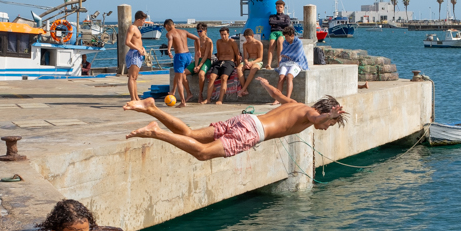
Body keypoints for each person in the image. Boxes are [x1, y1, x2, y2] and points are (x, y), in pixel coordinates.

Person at [124, 77, 346, 160]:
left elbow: (277, 95)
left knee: (191, 135)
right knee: (202, 153)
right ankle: (156, 132)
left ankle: (152, 110)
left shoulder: (296, 105)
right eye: (332, 124)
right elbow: (317, 120)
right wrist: (329, 115)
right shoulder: (311, 114)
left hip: (245, 121)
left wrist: (266, 84)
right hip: (251, 132)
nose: (328, 127)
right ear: (325, 111)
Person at [164, 19, 197, 106]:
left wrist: (168, 50)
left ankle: (183, 102)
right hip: (188, 55)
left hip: (180, 56)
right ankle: (186, 93)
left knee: (179, 80)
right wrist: (198, 51)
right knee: (180, 74)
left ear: (167, 26)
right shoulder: (184, 31)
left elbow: (170, 39)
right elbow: (197, 38)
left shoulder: (169, 33)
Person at [205, 27, 241, 105]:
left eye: (225, 34)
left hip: (229, 62)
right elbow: (218, 54)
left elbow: (237, 54)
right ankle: (208, 99)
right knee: (211, 77)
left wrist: (238, 65)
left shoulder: (232, 42)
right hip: (220, 61)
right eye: (222, 35)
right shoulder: (218, 42)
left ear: (228, 34)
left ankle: (220, 100)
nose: (223, 36)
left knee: (224, 78)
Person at [275, 25, 310, 103]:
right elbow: (282, 53)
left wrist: (287, 55)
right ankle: (278, 99)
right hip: (286, 62)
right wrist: (285, 55)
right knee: (281, 77)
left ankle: (287, 99)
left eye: (287, 36)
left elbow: (297, 55)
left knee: (289, 76)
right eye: (285, 36)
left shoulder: (298, 42)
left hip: (297, 63)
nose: (286, 38)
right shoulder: (285, 42)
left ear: (292, 35)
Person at [124, 11, 148, 102]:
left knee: (135, 77)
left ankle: (136, 97)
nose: (144, 22)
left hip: (138, 54)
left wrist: (142, 48)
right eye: (143, 20)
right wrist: (138, 49)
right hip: (133, 54)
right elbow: (127, 42)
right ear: (138, 19)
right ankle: (133, 98)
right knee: (132, 77)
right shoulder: (132, 28)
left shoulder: (137, 29)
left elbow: (137, 42)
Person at [187, 23, 214, 103]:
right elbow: (196, 54)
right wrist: (196, 65)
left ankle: (200, 94)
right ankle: (189, 93)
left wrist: (199, 66)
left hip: (207, 60)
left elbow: (206, 55)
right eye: (198, 31)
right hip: (198, 60)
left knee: (201, 74)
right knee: (182, 73)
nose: (199, 33)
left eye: (200, 31)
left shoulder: (208, 41)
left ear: (205, 31)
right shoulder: (197, 41)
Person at [264, 0, 292, 69]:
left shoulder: (286, 17)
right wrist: (281, 22)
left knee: (280, 41)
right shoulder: (272, 16)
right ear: (276, 7)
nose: (279, 8)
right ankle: (268, 64)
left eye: (281, 7)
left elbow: (287, 24)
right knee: (271, 44)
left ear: (283, 8)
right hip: (273, 32)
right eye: (278, 7)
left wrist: (276, 23)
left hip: (282, 33)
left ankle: (279, 63)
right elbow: (271, 22)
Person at [237, 29, 263, 98]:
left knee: (253, 69)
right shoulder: (245, 44)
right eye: (246, 38)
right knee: (239, 69)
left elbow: (260, 58)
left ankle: (243, 89)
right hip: (249, 60)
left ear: (252, 36)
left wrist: (251, 63)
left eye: (248, 37)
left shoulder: (259, 44)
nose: (247, 39)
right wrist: (247, 63)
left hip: (257, 61)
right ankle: (245, 90)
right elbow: (245, 57)